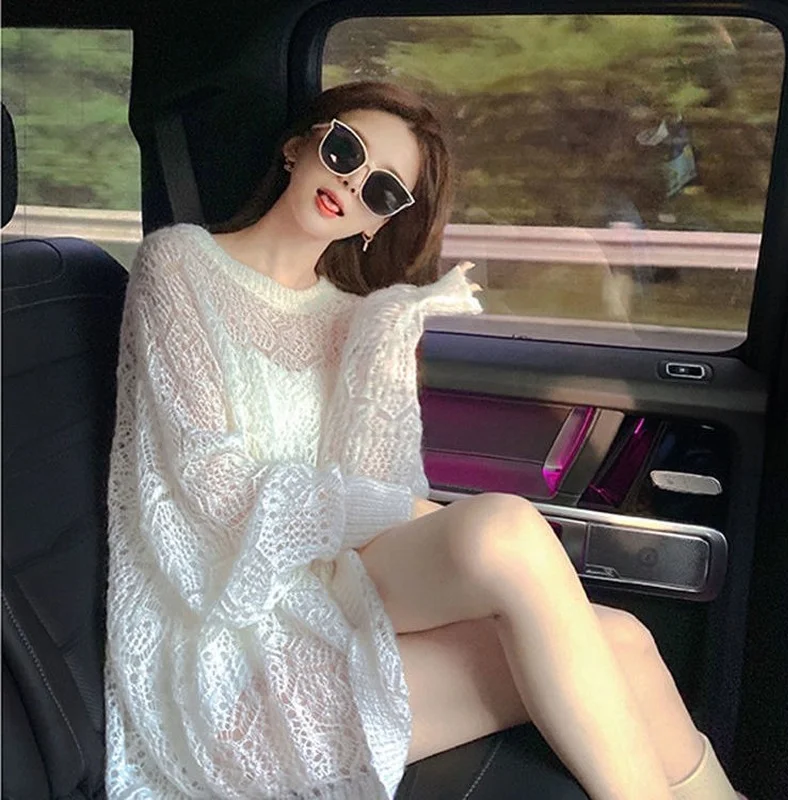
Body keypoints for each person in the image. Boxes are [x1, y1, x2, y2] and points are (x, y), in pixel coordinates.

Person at [104, 81, 747, 800]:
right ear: (297, 148)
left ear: (380, 222)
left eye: (383, 189)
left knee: (624, 638)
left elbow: (383, 500)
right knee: (504, 529)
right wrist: (404, 512)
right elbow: (214, 490)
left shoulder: (350, 317)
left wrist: (380, 350)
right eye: (344, 151)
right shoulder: (179, 265)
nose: (354, 183)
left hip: (334, 604)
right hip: (225, 654)